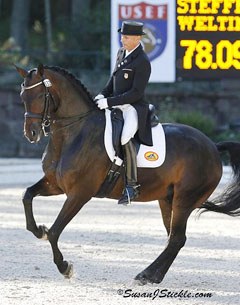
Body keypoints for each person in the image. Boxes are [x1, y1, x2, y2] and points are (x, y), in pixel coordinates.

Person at [95, 20, 152, 205]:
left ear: (137, 38)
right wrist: (101, 95)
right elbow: (112, 81)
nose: (122, 39)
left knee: (125, 137)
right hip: (116, 104)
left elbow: (136, 93)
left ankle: (131, 186)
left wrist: (109, 101)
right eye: (122, 36)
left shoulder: (142, 61)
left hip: (134, 107)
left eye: (126, 37)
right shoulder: (121, 53)